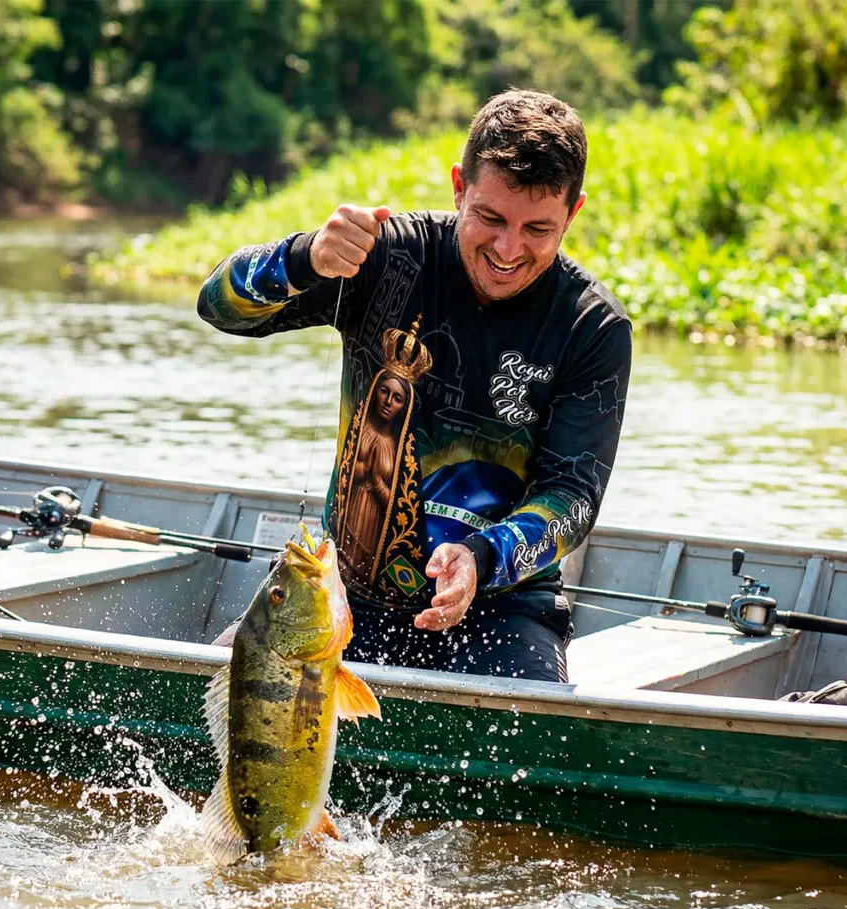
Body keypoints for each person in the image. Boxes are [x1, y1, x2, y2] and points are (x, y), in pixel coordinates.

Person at [197, 89, 632, 683]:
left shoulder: (592, 326)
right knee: (213, 693)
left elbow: (572, 497)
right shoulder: (381, 254)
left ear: (573, 213)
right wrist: (303, 260)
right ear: (459, 186)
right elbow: (219, 307)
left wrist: (482, 558)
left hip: (503, 610)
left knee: (527, 743)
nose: (508, 249)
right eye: (491, 218)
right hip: (342, 597)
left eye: (538, 228)